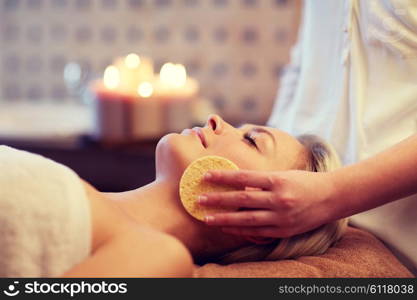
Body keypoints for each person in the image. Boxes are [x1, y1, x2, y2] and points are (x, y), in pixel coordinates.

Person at [197, 0, 417, 275]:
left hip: (397, 244)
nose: (214, 121)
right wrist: (274, 159)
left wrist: (331, 194)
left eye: (250, 139)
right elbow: (305, 65)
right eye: (248, 137)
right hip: (294, 222)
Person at [0, 115, 346, 277]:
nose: (216, 120)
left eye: (251, 141)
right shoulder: (81, 191)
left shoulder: (160, 256)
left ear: (262, 212)